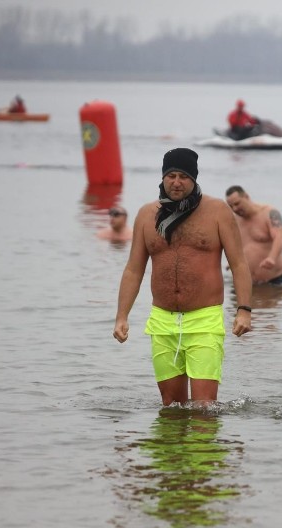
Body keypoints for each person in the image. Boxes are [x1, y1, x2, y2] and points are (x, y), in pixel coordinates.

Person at [113, 148, 253, 406]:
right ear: (163, 177)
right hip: (162, 321)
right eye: (171, 176)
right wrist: (122, 315)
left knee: (203, 407)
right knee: (171, 406)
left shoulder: (217, 212)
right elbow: (134, 269)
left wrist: (244, 310)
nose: (176, 182)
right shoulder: (146, 215)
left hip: (204, 320)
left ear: (194, 179)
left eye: (184, 177)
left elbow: (239, 264)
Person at [225, 185, 282, 285]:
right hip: (245, 280)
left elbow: (280, 238)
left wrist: (272, 258)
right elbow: (238, 245)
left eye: (237, 203)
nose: (235, 208)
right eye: (231, 206)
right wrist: (232, 261)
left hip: (272, 280)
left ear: (246, 196)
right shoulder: (235, 220)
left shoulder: (269, 212)